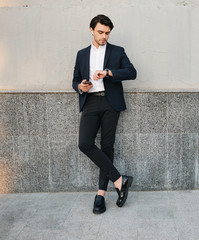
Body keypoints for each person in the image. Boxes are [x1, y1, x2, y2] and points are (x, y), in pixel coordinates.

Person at [72, 14, 136, 214]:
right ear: (91, 30)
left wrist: (108, 73)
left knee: (107, 147)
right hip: (90, 101)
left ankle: (101, 194)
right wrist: (80, 86)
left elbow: (131, 72)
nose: (104, 36)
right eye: (100, 32)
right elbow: (74, 80)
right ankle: (119, 180)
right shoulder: (82, 54)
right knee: (85, 143)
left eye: (107, 33)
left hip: (110, 102)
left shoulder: (117, 51)